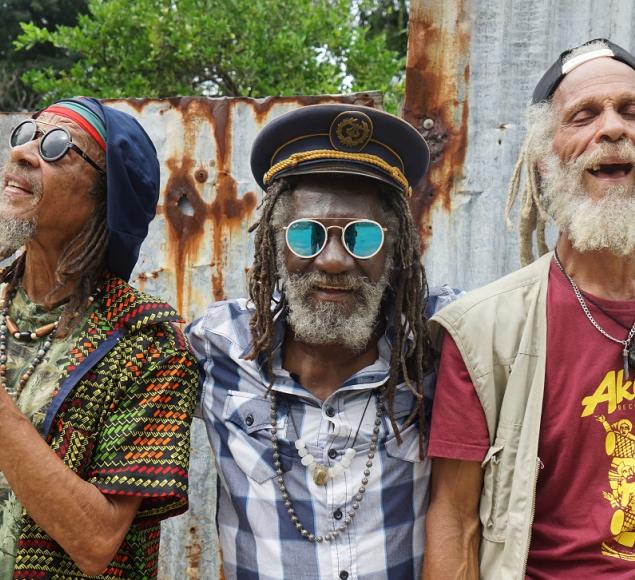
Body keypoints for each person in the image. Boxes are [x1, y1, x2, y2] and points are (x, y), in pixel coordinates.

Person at [187, 104, 458, 579]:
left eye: (363, 237)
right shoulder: (219, 348)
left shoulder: (441, 343)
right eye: (308, 235)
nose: (333, 261)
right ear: (274, 243)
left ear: (394, 250)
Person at [424, 38, 635, 579]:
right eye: (584, 115)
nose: (612, 129)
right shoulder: (484, 331)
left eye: (631, 111)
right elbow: (456, 520)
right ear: (544, 160)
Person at [0, 97, 198, 578]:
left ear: (104, 199)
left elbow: (97, 542)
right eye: (25, 135)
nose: (24, 154)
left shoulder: (149, 344)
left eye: (56, 146)